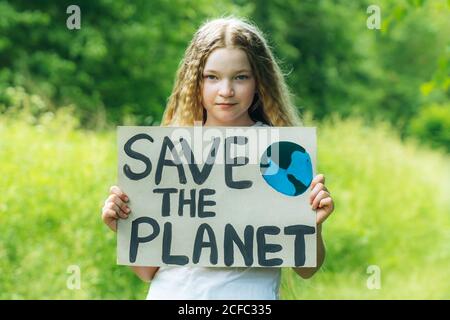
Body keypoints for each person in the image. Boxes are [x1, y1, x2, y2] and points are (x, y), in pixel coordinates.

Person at [101, 16, 334, 300]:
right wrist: (123, 226)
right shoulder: (170, 150)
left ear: (258, 82)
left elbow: (306, 269)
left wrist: (313, 225)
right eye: (212, 77)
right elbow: (149, 271)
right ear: (195, 82)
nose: (226, 91)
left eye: (240, 77)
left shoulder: (280, 153)